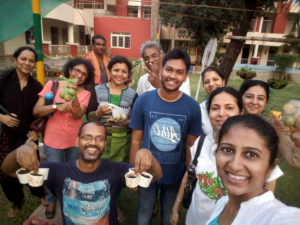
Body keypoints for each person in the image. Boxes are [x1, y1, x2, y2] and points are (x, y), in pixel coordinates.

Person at [1, 120, 163, 225]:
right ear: (78, 141)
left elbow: (156, 176)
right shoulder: (58, 171)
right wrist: (18, 153)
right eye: (87, 137)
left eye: (99, 138)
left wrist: (150, 157)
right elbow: (8, 170)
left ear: (104, 144)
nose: (93, 142)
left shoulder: (116, 170)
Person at [170, 87, 282, 225]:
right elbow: (189, 174)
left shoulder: (258, 149)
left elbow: (268, 205)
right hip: (195, 219)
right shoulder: (202, 141)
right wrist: (176, 206)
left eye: (229, 108)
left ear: (240, 112)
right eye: (215, 108)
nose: (221, 113)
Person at [130, 48, 202, 225]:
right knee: (143, 216)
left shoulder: (192, 107)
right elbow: (136, 139)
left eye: (179, 72)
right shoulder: (144, 101)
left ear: (186, 77)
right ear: (161, 70)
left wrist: (189, 176)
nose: (173, 76)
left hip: (175, 176)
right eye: (169, 69)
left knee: (168, 219)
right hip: (146, 172)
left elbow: (190, 146)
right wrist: (133, 171)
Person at [207, 114, 300, 225]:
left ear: (271, 167)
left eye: (251, 154)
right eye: (227, 149)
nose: (234, 165)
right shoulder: (223, 202)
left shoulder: (279, 217)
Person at [33, 58, 94, 218]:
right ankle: (52, 199)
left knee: (72, 172)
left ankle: (69, 200)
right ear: (69, 69)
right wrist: (55, 106)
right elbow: (37, 111)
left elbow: (78, 114)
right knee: (54, 172)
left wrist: (73, 95)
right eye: (77, 70)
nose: (79, 75)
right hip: (53, 139)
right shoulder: (52, 85)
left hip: (74, 140)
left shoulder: (86, 93)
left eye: (84, 74)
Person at [0, 46, 46, 218]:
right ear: (15, 60)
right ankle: (17, 200)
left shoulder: (36, 86)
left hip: (27, 134)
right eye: (23, 59)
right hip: (5, 134)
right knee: (5, 170)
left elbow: (39, 112)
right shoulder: (3, 79)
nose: (27, 63)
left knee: (32, 166)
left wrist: (35, 131)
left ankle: (40, 194)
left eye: (31, 60)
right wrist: (2, 118)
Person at [239, 79, 283, 192]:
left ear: (266, 102)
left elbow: (271, 167)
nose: (254, 102)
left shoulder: (270, 132)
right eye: (249, 96)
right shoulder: (229, 125)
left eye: (260, 98)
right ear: (241, 97)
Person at [91, 56, 138, 162]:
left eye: (124, 72)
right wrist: (98, 113)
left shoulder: (133, 95)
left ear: (128, 74)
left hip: (123, 143)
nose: (120, 74)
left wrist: (125, 122)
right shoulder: (97, 90)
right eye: (116, 70)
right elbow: (88, 116)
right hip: (100, 140)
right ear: (110, 71)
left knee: (119, 173)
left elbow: (136, 121)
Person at [199, 67, 225, 135]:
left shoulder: (236, 105)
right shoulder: (200, 110)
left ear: (223, 82)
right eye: (207, 82)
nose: (211, 84)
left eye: (215, 79)